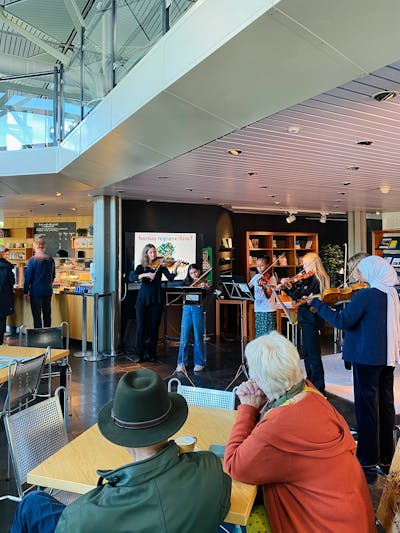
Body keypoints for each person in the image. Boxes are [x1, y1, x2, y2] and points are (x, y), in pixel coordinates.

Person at [11, 368, 232, 533]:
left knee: (32, 504)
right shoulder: (211, 468)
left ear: (121, 438)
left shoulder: (81, 516)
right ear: (171, 423)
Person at [224, 332, 376, 533]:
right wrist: (264, 400)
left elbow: (234, 465)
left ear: (258, 378)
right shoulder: (308, 392)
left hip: (318, 526)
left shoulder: (279, 425)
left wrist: (247, 408)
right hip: (352, 520)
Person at [309, 254, 400, 484]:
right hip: (386, 357)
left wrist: (318, 305)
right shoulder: (391, 294)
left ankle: (367, 464)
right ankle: (386, 460)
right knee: (385, 407)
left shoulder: (366, 295)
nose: (359, 276)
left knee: (366, 410)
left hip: (366, 358)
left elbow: (342, 321)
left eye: (361, 271)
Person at [279, 252, 329, 394]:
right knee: (307, 353)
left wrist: (289, 288)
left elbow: (300, 296)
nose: (303, 268)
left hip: (312, 319)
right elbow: (298, 295)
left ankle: (319, 387)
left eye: (306, 264)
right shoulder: (309, 279)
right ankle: (311, 382)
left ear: (313, 264)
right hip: (306, 319)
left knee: (313, 354)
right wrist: (289, 287)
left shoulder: (317, 280)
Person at [129, 244, 180, 362]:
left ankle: (152, 353)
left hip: (156, 299)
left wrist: (176, 267)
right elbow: (132, 277)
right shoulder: (141, 267)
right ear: (146, 254)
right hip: (143, 300)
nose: (154, 254)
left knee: (154, 327)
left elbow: (170, 278)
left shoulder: (161, 266)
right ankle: (140, 354)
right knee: (141, 327)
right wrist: (146, 274)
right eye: (151, 252)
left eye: (154, 252)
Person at [176, 263, 209, 373]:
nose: (194, 275)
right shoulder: (186, 282)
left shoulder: (203, 281)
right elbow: (181, 293)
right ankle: (181, 363)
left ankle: (199, 363)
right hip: (186, 309)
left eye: (195, 272)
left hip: (197, 308)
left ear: (199, 271)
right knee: (184, 337)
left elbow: (204, 295)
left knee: (198, 336)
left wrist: (204, 287)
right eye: (191, 273)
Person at [23, 238, 55, 328]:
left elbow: (28, 277)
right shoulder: (50, 259)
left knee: (37, 316)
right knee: (47, 314)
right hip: (48, 290)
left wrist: (25, 292)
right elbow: (53, 275)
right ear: (44, 247)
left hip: (36, 291)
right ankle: (48, 334)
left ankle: (38, 335)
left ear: (34, 248)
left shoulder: (33, 260)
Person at [248, 256, 277, 337]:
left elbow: (268, 295)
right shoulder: (256, 277)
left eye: (261, 265)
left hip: (268, 310)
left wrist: (264, 287)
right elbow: (248, 287)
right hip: (258, 309)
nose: (259, 268)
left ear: (267, 265)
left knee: (268, 336)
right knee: (260, 335)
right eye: (257, 266)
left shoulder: (271, 278)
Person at [0, 245, 15, 343]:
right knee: (2, 318)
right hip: (4, 295)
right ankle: (0, 342)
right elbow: (11, 281)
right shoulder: (8, 266)